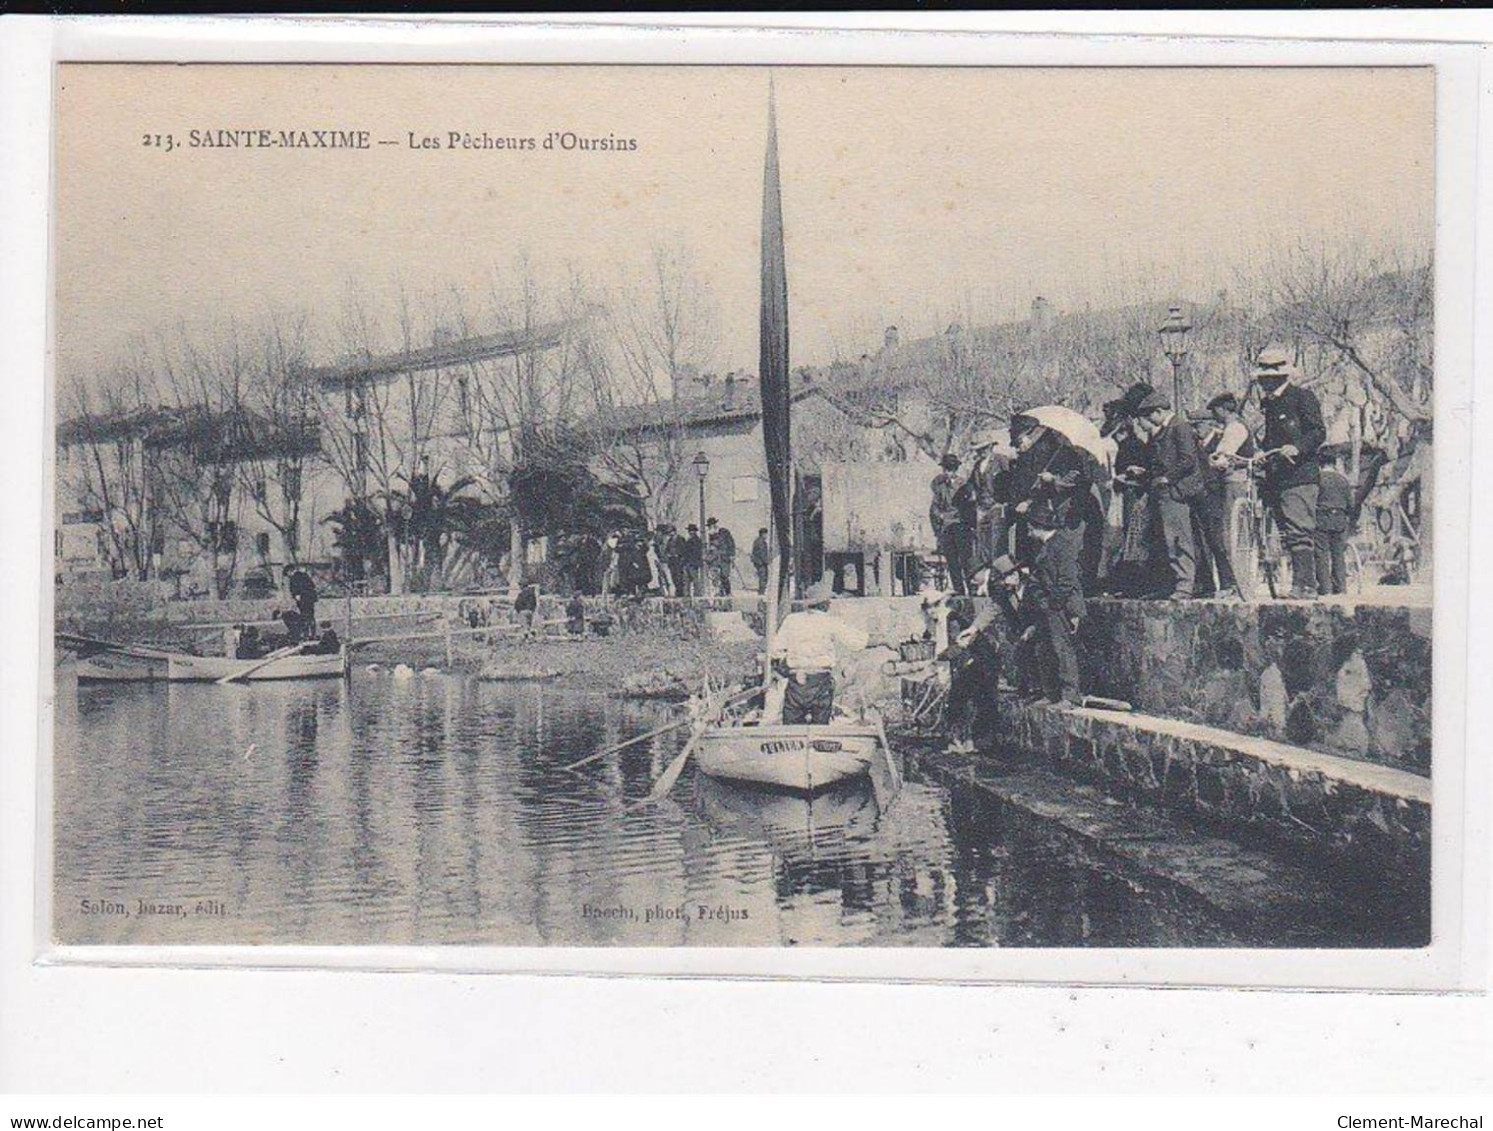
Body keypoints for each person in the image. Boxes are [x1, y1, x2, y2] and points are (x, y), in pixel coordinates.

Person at [1252, 346, 1326, 599]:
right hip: (1278, 476)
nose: (1263, 383)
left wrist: (1297, 447)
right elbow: (1272, 439)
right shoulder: (1269, 405)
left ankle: (1306, 585)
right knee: (1287, 532)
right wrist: (1263, 451)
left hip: (1300, 475)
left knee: (1299, 529)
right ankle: (1301, 584)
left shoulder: (1302, 397)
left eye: (1267, 378)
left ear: (1279, 377)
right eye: (1262, 378)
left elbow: (1318, 432)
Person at [769, 587, 881, 724]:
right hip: (819, 680)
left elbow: (775, 651)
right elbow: (858, 641)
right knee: (820, 726)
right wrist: (885, 640)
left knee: (792, 726)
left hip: (796, 682)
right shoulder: (830, 621)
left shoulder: (791, 620)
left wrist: (788, 665)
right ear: (824, 605)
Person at [1134, 389, 1207, 600]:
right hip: (1167, 491)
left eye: (1147, 418)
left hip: (1177, 491)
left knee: (1178, 538)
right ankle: (1174, 583)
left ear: (1157, 412)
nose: (1144, 423)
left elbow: (1187, 460)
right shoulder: (1163, 431)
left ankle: (1185, 584)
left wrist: (1167, 478)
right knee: (1168, 539)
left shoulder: (1179, 427)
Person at [1016, 498, 1086, 707]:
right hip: (1048, 606)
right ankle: (1052, 693)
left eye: (1030, 528)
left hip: (1062, 607)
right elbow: (1037, 580)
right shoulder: (1045, 547)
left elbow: (1067, 581)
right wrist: (1042, 601)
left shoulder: (1062, 545)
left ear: (1038, 527)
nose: (1028, 533)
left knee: (1062, 649)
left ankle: (1070, 696)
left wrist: (1053, 603)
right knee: (1044, 648)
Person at [1193, 392, 1248, 600]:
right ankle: (1221, 582)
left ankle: (1231, 582)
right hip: (1210, 493)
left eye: (1198, 425)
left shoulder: (1228, 434)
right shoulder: (1208, 440)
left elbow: (1222, 461)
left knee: (1225, 536)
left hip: (1223, 489)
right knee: (1214, 538)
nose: (1196, 430)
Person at [964, 428, 1012, 579]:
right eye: (978, 450)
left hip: (997, 506)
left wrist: (1004, 501)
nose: (980, 452)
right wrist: (972, 493)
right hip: (982, 508)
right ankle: (987, 578)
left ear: (991, 447)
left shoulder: (1001, 460)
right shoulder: (977, 465)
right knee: (983, 544)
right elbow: (972, 483)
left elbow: (1011, 481)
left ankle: (1001, 577)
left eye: (983, 449)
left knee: (997, 543)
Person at [929, 453, 971, 595]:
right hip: (946, 527)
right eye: (946, 469)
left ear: (956, 469)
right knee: (952, 561)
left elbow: (969, 506)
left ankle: (972, 589)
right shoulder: (940, 486)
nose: (948, 472)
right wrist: (939, 517)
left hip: (961, 525)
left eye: (951, 469)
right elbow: (934, 507)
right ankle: (959, 591)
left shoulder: (964, 485)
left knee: (966, 560)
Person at [1315, 451, 1353, 596]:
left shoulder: (1317, 479)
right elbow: (1351, 503)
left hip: (1322, 518)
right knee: (1338, 554)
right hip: (1340, 519)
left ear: (1320, 464)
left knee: (1321, 554)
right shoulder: (1343, 480)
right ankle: (1341, 588)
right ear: (1334, 463)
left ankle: (1325, 588)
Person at [284, 564, 318, 641]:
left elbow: (295, 590)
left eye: (287, 574)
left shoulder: (294, 578)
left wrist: (298, 595)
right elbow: (312, 585)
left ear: (290, 571)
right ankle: (313, 634)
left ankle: (306, 635)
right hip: (310, 599)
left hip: (303, 600)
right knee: (311, 616)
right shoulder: (304, 575)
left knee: (305, 617)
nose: (288, 576)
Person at [706, 517, 736, 596]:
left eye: (711, 525)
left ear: (715, 525)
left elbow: (731, 544)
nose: (710, 527)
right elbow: (711, 548)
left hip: (724, 558)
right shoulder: (711, 535)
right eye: (709, 526)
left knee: (724, 576)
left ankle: (728, 593)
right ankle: (718, 595)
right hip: (715, 559)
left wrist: (732, 555)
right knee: (715, 577)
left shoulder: (724, 532)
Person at [677, 524, 703, 597]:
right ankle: (687, 597)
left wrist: (691, 561)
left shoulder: (697, 541)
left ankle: (697, 597)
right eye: (690, 531)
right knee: (686, 582)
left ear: (695, 532)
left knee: (695, 582)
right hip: (687, 563)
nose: (691, 532)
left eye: (692, 531)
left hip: (693, 564)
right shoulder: (689, 540)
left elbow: (696, 553)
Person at [750, 527, 771, 594]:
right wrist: (767, 561)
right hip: (761, 562)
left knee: (762, 576)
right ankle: (762, 592)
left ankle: (762, 590)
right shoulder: (761, 542)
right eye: (766, 534)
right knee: (763, 577)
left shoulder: (757, 541)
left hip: (758, 562)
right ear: (762, 534)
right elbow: (762, 553)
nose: (766, 536)